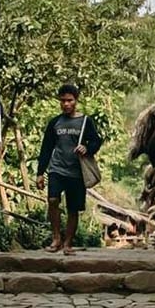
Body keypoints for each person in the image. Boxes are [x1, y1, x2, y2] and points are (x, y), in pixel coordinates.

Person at [35, 84, 103, 255]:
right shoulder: (54, 123)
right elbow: (46, 148)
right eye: (63, 101)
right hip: (57, 169)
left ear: (76, 101)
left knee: (73, 208)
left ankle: (68, 243)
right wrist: (40, 173)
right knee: (52, 201)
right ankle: (56, 238)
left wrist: (87, 148)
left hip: (77, 172)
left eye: (69, 100)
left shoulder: (86, 121)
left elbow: (96, 141)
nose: (66, 104)